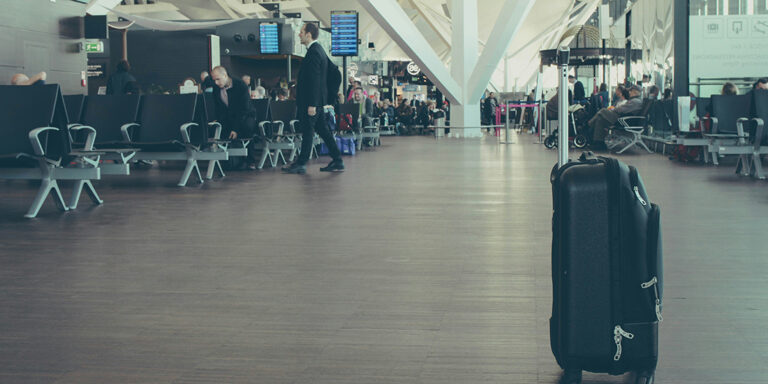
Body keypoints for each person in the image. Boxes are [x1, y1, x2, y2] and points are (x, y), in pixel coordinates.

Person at [282, 22, 344, 174]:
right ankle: (337, 160)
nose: (299, 34)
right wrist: (326, 98)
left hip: (311, 104)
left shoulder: (314, 52)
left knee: (308, 131)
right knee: (323, 130)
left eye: (301, 32)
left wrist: (313, 104)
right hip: (317, 103)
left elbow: (315, 81)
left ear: (308, 34)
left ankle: (301, 163)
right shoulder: (319, 50)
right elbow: (335, 73)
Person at [211, 65, 257, 169]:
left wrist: (235, 129)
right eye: (214, 80)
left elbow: (243, 110)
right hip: (229, 115)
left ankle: (250, 160)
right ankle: (227, 160)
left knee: (246, 127)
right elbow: (218, 108)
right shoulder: (216, 88)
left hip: (246, 115)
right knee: (220, 128)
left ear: (225, 75)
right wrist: (218, 122)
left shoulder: (241, 85)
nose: (216, 83)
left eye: (218, 79)